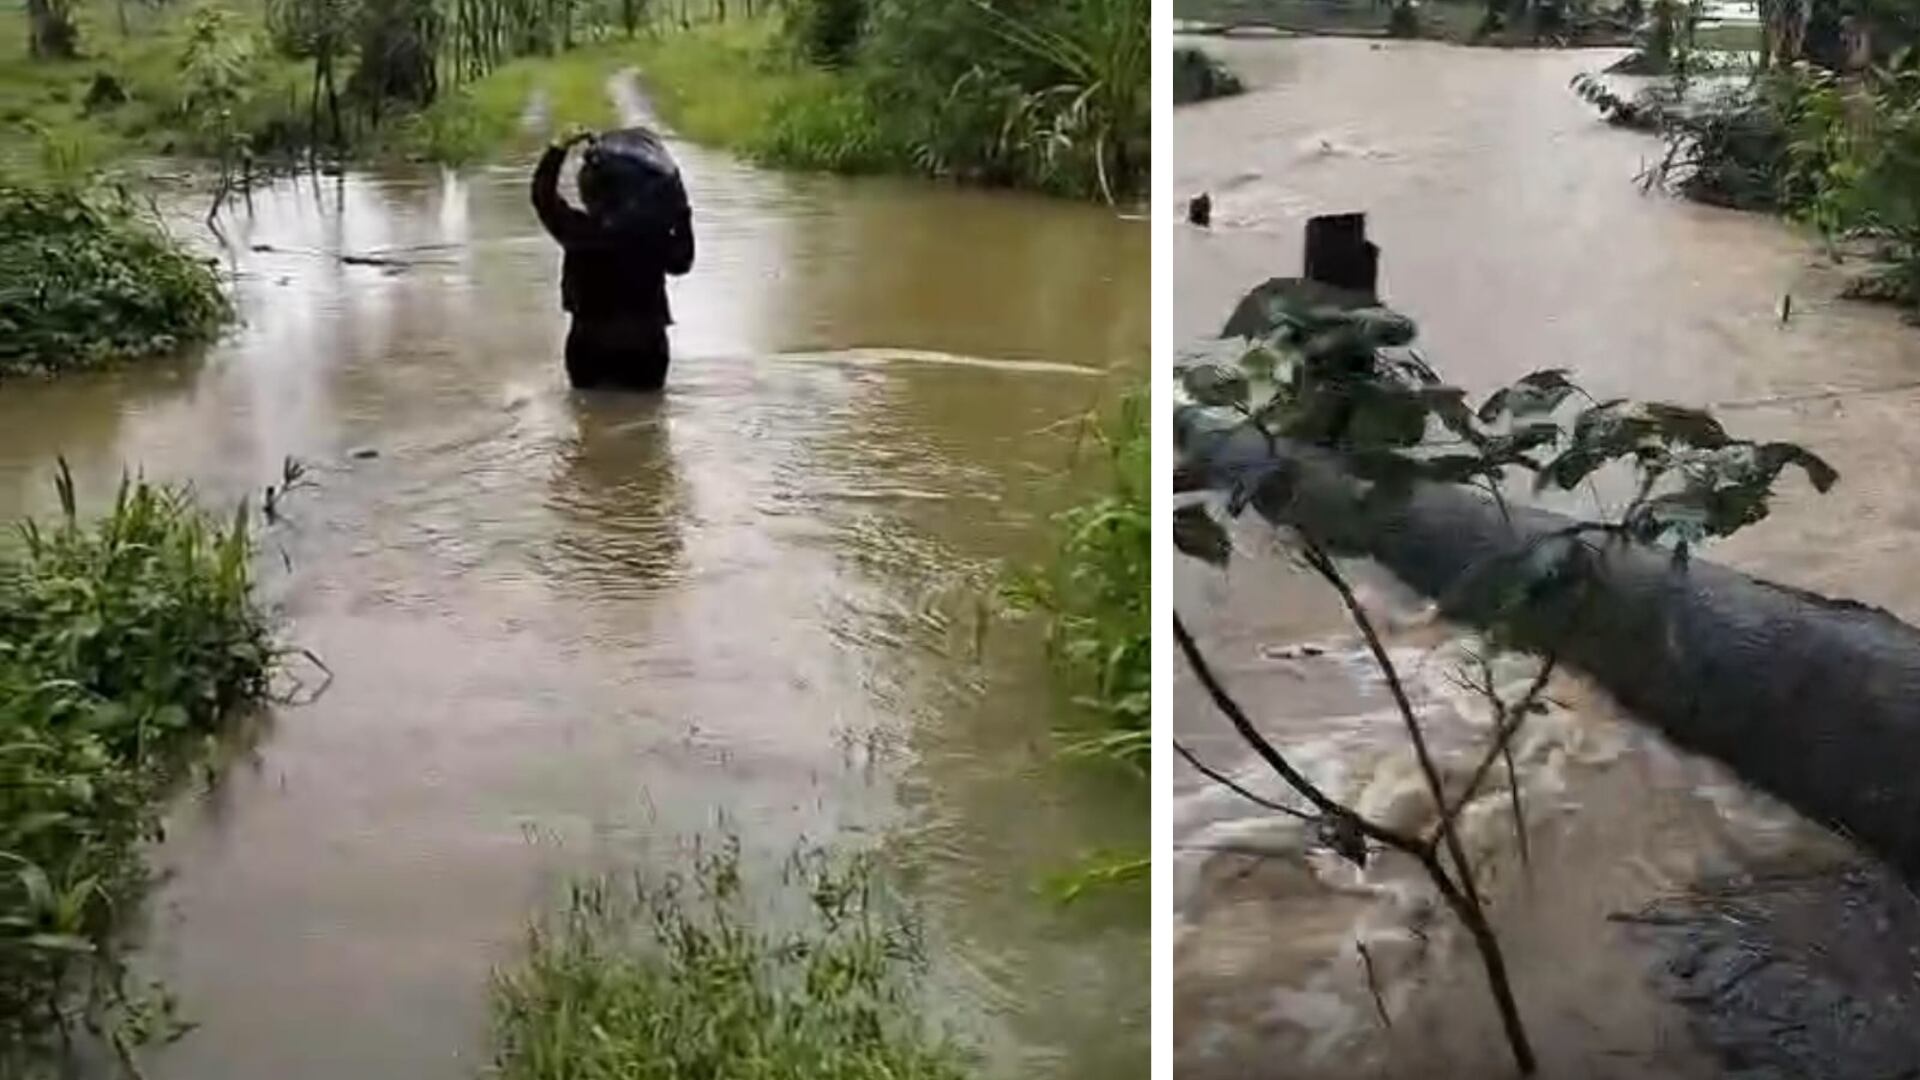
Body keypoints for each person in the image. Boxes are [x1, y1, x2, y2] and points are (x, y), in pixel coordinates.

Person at [531, 126, 695, 391]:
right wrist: (682, 211)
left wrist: (557, 148)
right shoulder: (651, 234)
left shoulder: (580, 232)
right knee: (648, 424)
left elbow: (543, 196)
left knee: (589, 422)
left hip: (590, 344)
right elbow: (682, 263)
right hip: (646, 345)